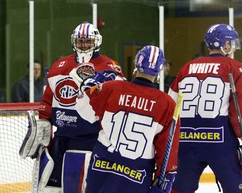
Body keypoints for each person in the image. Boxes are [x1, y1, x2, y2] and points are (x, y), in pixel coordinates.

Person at [19, 22, 125, 192]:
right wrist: (44, 126)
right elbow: (48, 100)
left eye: (87, 41)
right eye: (80, 41)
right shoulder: (59, 66)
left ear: (97, 41)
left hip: (91, 140)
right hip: (62, 138)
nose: (83, 45)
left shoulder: (109, 66)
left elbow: (120, 99)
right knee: (48, 185)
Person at [74, 45, 180, 192]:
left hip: (101, 166)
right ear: (159, 71)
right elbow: (167, 148)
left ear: (136, 65)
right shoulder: (167, 104)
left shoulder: (111, 88)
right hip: (136, 173)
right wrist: (166, 177)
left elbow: (83, 111)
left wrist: (88, 87)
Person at [168, 24, 242, 193]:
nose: (233, 47)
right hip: (221, 143)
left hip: (186, 141)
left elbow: (172, 105)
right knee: (235, 188)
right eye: (231, 42)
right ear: (224, 44)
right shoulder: (235, 68)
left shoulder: (186, 68)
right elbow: (238, 111)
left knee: (179, 189)